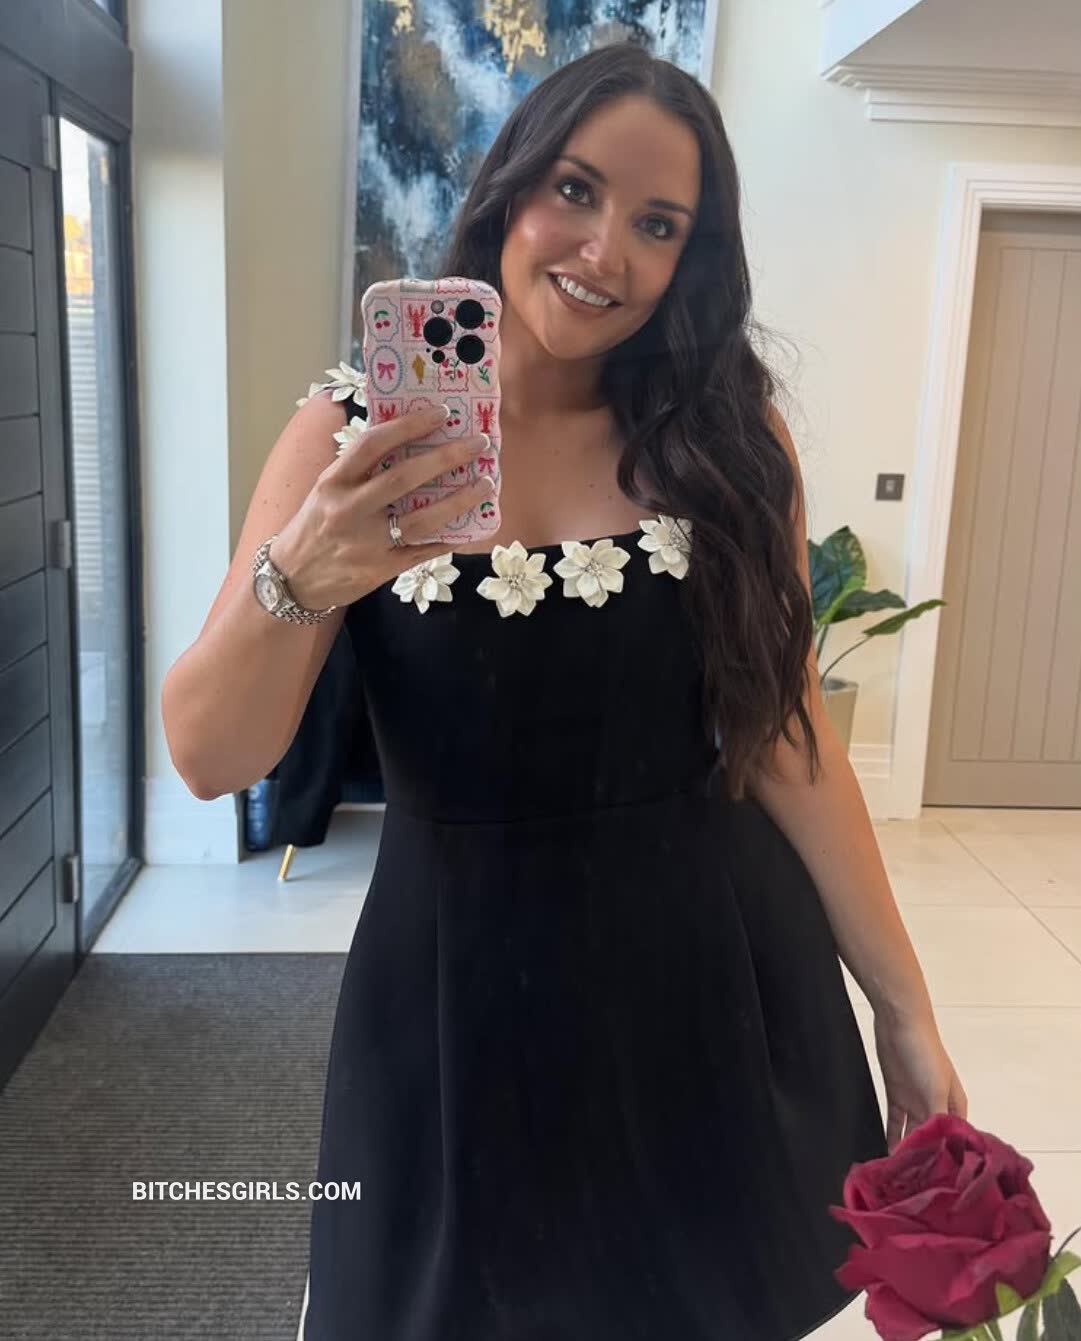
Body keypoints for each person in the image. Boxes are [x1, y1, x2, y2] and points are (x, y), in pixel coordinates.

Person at [163, 41, 968, 1341]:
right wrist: (303, 575)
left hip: (706, 979)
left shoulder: (724, 440)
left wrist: (903, 1004)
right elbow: (211, 757)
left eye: (659, 224)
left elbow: (783, 733)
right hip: (452, 1004)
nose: (606, 253)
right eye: (578, 192)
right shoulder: (348, 436)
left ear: (693, 257)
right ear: (511, 183)